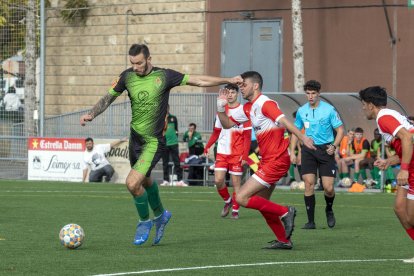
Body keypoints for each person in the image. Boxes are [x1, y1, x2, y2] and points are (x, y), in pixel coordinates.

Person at [79, 43, 242, 246]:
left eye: (139, 63)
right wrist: (91, 114)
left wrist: (227, 79)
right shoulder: (127, 77)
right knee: (145, 181)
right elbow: (108, 98)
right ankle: (161, 215)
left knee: (132, 183)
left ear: (149, 59)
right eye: (132, 63)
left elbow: (198, 80)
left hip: (153, 142)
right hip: (135, 140)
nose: (135, 67)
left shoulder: (164, 76)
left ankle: (144, 222)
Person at [216, 71, 315, 249]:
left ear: (255, 85)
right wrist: (220, 106)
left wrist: (303, 138)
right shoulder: (248, 107)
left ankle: (286, 211)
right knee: (263, 205)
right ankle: (284, 241)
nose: (241, 88)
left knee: (241, 197)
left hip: (276, 160)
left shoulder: (265, 103)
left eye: (243, 85)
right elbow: (227, 124)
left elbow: (285, 121)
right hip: (268, 161)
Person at [359, 86, 414, 263]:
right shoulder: (386, 117)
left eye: (363, 104)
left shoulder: (383, 117)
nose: (362, 108)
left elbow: (407, 138)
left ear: (370, 105)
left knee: (412, 217)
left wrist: (404, 168)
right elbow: (406, 144)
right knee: (399, 208)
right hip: (410, 165)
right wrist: (389, 161)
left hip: (411, 168)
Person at [290, 80, 344, 230]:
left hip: (326, 150)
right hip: (308, 150)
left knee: (328, 188)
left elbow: (340, 130)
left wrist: (334, 146)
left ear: (319, 94)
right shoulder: (301, 111)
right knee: (309, 184)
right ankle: (310, 222)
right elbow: (295, 131)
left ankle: (329, 209)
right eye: (308, 93)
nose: (310, 96)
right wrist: (292, 151)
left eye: (313, 93)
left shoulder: (329, 110)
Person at [204, 83, 251, 219]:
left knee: (236, 183)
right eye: (228, 92)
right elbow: (216, 131)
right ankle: (228, 201)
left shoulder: (244, 111)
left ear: (237, 94)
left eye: (232, 92)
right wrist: (208, 145)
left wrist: (245, 156)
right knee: (218, 180)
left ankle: (235, 210)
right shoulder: (221, 111)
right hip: (222, 152)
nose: (230, 95)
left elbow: (247, 137)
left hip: (237, 153)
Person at [160, 104, 186, 187]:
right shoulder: (160, 119)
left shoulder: (173, 118)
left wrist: (174, 138)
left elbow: (176, 130)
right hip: (164, 144)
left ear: (168, 108)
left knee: (177, 162)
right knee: (165, 163)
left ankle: (180, 180)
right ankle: (166, 180)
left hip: (174, 143)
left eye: (166, 108)